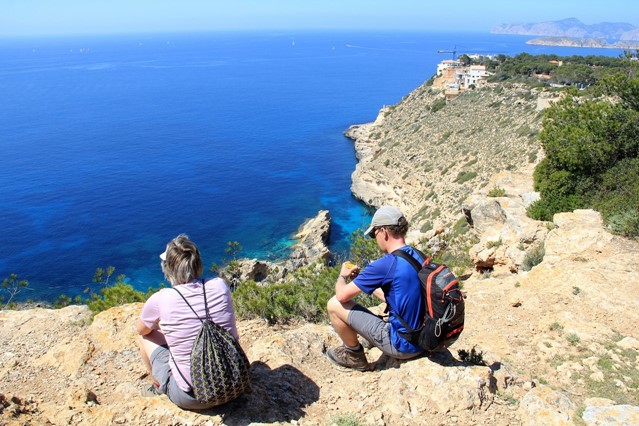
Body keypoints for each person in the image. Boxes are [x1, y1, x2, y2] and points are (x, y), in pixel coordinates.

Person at [137, 234, 240, 409]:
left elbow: (141, 330)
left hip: (192, 397)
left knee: (143, 338)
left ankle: (158, 385)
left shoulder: (161, 299)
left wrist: (164, 328)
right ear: (197, 264)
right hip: (235, 384)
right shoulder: (220, 285)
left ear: (167, 269)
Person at [326, 205, 425, 370]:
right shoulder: (418, 256)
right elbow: (399, 298)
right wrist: (363, 282)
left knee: (334, 304)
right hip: (425, 338)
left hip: (403, 345)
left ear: (384, 232)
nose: (374, 238)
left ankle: (354, 355)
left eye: (374, 234)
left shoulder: (386, 264)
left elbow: (342, 296)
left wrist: (342, 275)